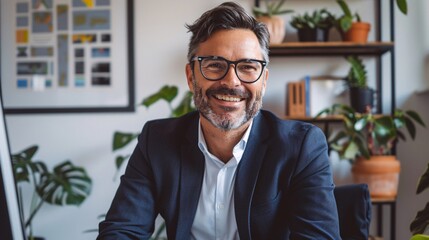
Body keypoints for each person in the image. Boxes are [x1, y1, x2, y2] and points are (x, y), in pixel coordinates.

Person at [98, 2, 340, 239]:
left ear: (263, 81)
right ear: (191, 77)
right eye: (215, 65)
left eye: (247, 67)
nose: (232, 82)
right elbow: (122, 230)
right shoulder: (157, 141)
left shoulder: (302, 146)